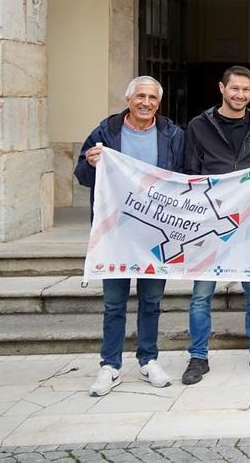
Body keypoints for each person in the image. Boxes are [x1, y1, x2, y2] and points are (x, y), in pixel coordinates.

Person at [75, 76, 184, 396]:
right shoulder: (105, 133)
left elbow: (184, 177)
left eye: (152, 97)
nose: (146, 102)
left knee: (151, 301)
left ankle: (148, 359)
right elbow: (82, 175)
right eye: (140, 96)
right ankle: (110, 365)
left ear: (158, 103)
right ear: (128, 100)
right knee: (113, 303)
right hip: (115, 234)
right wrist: (91, 163)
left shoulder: (172, 135)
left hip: (154, 234)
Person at [180, 66, 250, 385]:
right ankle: (198, 356)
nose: (240, 95)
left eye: (246, 90)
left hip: (249, 222)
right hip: (210, 223)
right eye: (234, 89)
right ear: (221, 88)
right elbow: (190, 173)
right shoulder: (198, 126)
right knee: (201, 293)